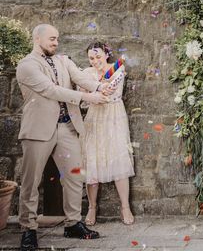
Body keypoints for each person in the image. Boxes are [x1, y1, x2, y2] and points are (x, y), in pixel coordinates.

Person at [15, 25, 110, 251]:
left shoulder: (63, 61)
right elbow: (51, 90)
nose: (56, 42)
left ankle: (73, 223)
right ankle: (28, 229)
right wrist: (89, 97)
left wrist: (100, 86)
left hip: (67, 127)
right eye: (51, 39)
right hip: (38, 130)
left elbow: (79, 77)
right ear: (37, 38)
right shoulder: (26, 65)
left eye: (57, 38)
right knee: (31, 182)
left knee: (75, 177)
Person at [80, 42, 135, 226]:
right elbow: (84, 99)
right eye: (91, 58)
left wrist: (102, 87)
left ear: (106, 54)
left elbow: (112, 93)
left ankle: (125, 206)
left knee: (118, 157)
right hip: (94, 118)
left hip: (114, 116)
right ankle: (92, 207)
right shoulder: (86, 73)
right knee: (93, 160)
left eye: (98, 56)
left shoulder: (118, 68)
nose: (95, 61)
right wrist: (95, 88)